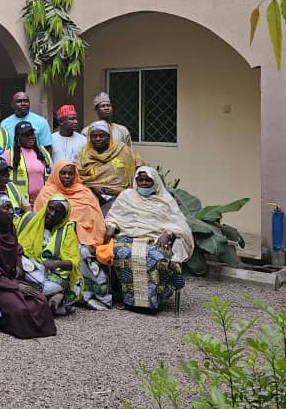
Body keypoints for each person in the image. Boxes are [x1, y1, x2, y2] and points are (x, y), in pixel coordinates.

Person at [105, 167, 193, 311]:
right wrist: (111, 227)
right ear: (136, 181)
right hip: (128, 236)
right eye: (141, 180)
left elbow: (179, 224)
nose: (144, 183)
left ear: (155, 182)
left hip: (156, 239)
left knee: (155, 257)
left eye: (148, 180)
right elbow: (113, 216)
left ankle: (153, 300)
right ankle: (129, 300)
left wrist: (169, 233)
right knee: (121, 253)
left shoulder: (165, 200)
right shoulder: (127, 196)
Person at [0, 194, 56, 339]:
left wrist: (18, 264)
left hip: (12, 278)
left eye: (11, 207)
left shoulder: (8, 227)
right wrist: (15, 286)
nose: (11, 212)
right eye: (6, 208)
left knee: (40, 301)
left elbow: (17, 248)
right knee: (20, 309)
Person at [35, 161, 113, 309]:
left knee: (85, 254)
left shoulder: (84, 192)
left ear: (75, 175)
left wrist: (80, 233)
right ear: (56, 174)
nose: (67, 176)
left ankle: (90, 296)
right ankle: (68, 293)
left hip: (83, 238)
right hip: (52, 237)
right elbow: (40, 219)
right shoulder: (47, 192)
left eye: (70, 173)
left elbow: (95, 219)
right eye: (63, 173)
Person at [15, 195, 82, 315]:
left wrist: (57, 264)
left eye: (58, 212)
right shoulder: (28, 219)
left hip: (50, 274)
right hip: (25, 267)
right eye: (50, 209)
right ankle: (53, 300)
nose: (52, 214)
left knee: (70, 284)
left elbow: (73, 261)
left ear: (63, 216)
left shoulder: (66, 230)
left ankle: (45, 299)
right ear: (46, 206)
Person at [78, 121, 144, 208]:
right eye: (94, 136)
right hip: (91, 197)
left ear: (109, 137)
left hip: (122, 197)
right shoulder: (85, 153)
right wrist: (92, 187)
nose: (98, 139)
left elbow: (139, 165)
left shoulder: (122, 150)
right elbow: (79, 176)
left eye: (102, 135)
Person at [5, 120, 52, 206]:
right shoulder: (9, 154)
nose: (30, 137)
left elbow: (51, 175)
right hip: (20, 203)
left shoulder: (43, 152)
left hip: (43, 202)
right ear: (18, 137)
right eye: (26, 135)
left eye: (32, 134)